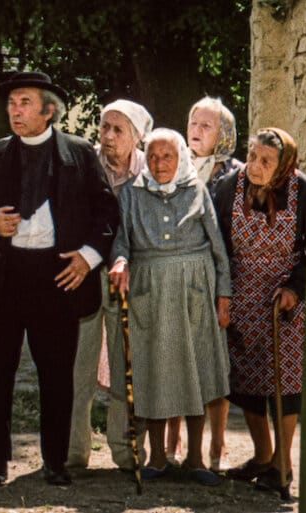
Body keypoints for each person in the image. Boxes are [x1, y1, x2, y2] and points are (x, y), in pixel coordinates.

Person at [0, 71, 120, 487]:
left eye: (25, 102)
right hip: (6, 277)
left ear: (49, 110)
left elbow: (106, 214)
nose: (15, 110)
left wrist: (87, 259)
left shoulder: (79, 154)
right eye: (12, 103)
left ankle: (55, 461)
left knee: (56, 374)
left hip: (58, 275)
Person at [108, 128, 231, 487]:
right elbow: (122, 242)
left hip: (194, 289)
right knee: (153, 372)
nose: (160, 164)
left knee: (197, 374)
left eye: (168, 157)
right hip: (150, 290)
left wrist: (224, 295)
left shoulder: (197, 190)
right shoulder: (132, 193)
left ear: (181, 159)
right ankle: (158, 457)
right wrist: (119, 262)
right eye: (154, 157)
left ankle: (195, 459)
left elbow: (218, 246)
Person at [214, 128, 306, 493]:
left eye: (266, 161)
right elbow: (219, 246)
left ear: (283, 165)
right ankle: (262, 455)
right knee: (247, 379)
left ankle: (283, 464)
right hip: (241, 294)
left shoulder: (303, 191)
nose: (254, 166)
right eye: (252, 156)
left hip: (285, 301)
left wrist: (295, 288)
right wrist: (224, 293)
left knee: (284, 380)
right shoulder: (227, 188)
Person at [67, 99, 152, 471]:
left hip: (133, 278)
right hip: (86, 274)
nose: (108, 136)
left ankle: (125, 449)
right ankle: (72, 451)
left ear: (137, 137)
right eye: (105, 127)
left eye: (119, 130)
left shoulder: (151, 169)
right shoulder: (84, 164)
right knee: (76, 366)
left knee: (127, 364)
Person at [164, 96, 244, 470]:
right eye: (194, 122)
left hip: (218, 278)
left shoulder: (236, 175)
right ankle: (172, 440)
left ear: (224, 135)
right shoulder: (170, 166)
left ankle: (217, 443)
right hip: (176, 276)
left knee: (214, 362)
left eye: (206, 126)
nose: (196, 131)